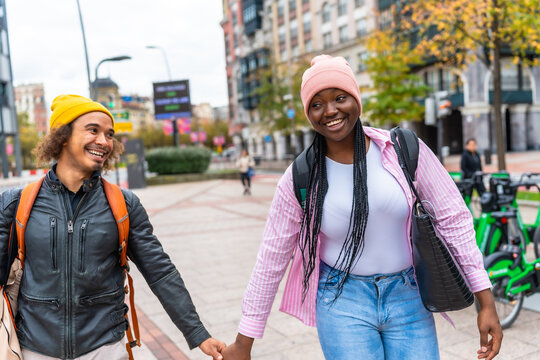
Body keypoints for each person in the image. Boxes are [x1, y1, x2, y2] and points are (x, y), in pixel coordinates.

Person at [223, 56, 502, 360]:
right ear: (308, 114)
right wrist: (244, 341)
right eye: (316, 104)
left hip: (409, 296)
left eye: (339, 98)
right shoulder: (300, 176)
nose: (330, 111)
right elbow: (270, 259)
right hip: (342, 301)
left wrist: (485, 301)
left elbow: (454, 219)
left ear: (356, 98)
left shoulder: (403, 150)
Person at [0, 95, 225, 360]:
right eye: (93, 130)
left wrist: (198, 334)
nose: (104, 142)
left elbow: (160, 272)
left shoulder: (124, 204)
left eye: (109, 134)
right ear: (61, 136)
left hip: (105, 348)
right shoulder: (17, 203)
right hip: (35, 349)